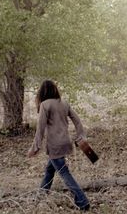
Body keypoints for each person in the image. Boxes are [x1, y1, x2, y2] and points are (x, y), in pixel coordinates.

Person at [27, 79, 90, 211]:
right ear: (55, 89)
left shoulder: (45, 105)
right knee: (49, 171)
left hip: (55, 145)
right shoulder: (64, 103)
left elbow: (40, 128)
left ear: (42, 92)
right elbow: (77, 121)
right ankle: (40, 197)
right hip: (65, 143)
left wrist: (35, 147)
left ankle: (83, 202)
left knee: (64, 173)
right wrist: (81, 136)